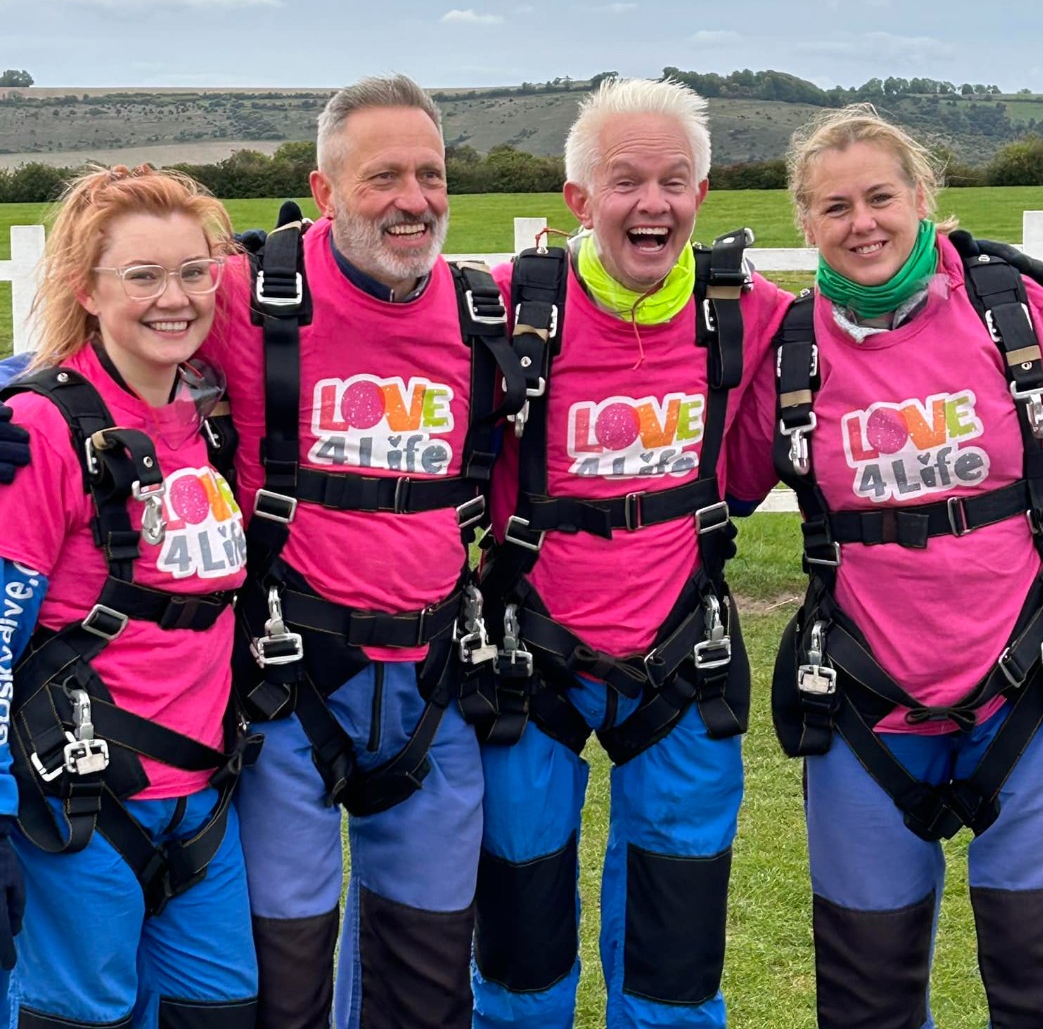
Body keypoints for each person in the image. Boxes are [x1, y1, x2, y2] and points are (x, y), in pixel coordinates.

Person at [728, 103, 1043, 1028]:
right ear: (805, 223)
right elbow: (708, 488)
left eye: (881, 196)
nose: (863, 223)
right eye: (835, 206)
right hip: (864, 705)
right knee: (865, 1000)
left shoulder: (1014, 313)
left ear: (924, 197)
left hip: (1031, 697)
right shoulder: (792, 352)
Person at [469, 77, 792, 1029]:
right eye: (625, 182)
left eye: (674, 181)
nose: (652, 204)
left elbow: (882, 331)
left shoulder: (750, 312)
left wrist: (952, 270)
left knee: (676, 958)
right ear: (579, 201)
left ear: (701, 194)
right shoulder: (507, 307)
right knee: (519, 948)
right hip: (531, 658)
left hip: (682, 656)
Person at [208, 74, 517, 1029]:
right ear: (327, 187)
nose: (414, 200)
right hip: (288, 689)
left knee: (428, 982)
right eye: (383, 176)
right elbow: (113, 336)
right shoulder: (245, 297)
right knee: (283, 980)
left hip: (434, 688)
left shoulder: (487, 314)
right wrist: (34, 405)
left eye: (431, 175)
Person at [0, 165, 257, 1028]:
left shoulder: (210, 416)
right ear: (87, 288)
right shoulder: (40, 428)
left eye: (193, 271)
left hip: (204, 802)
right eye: (142, 276)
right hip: (76, 810)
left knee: (217, 1012)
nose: (174, 298)